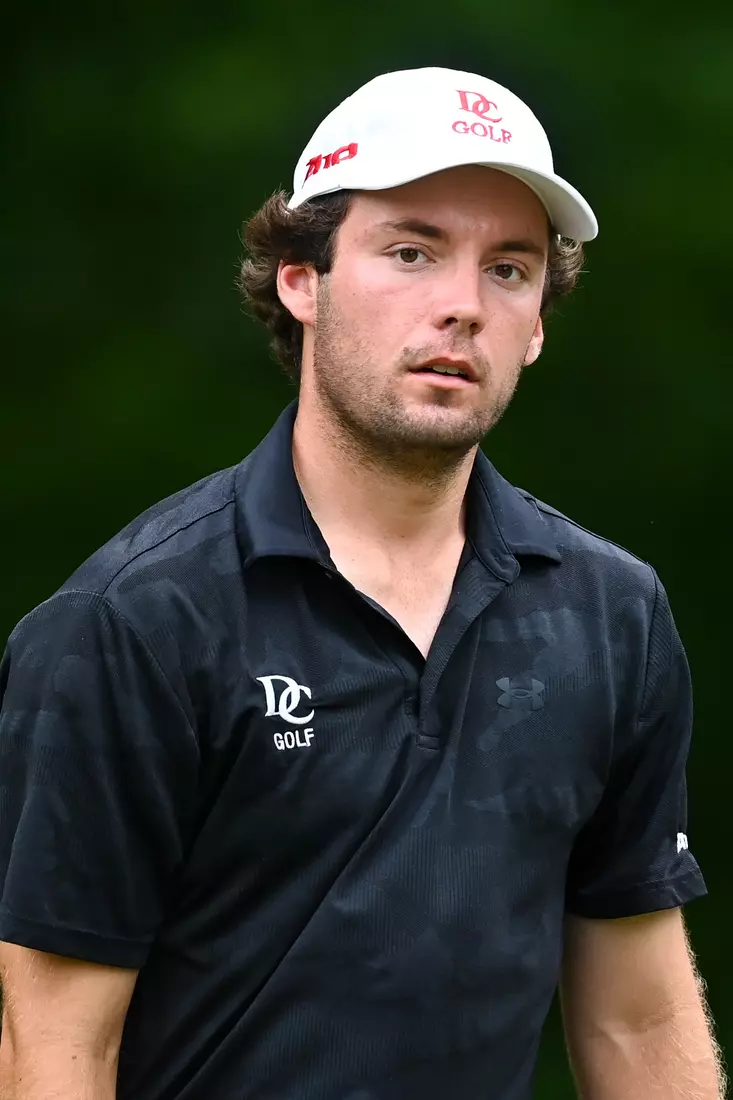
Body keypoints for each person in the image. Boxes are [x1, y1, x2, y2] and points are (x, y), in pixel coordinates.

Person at [0, 66, 724, 1100]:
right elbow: (53, 1050)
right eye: (411, 252)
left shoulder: (610, 614)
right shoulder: (134, 620)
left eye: (508, 269)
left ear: (536, 325)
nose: (463, 307)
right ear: (302, 280)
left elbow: (638, 1019)